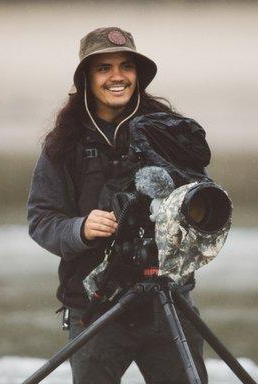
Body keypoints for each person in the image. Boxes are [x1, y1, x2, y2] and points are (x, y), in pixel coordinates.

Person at [27, 27, 208, 384]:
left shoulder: (172, 133)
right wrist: (80, 229)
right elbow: (41, 220)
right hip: (95, 302)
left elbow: (204, 209)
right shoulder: (64, 143)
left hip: (168, 299)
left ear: (138, 75)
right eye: (103, 68)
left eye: (126, 66)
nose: (117, 77)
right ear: (86, 79)